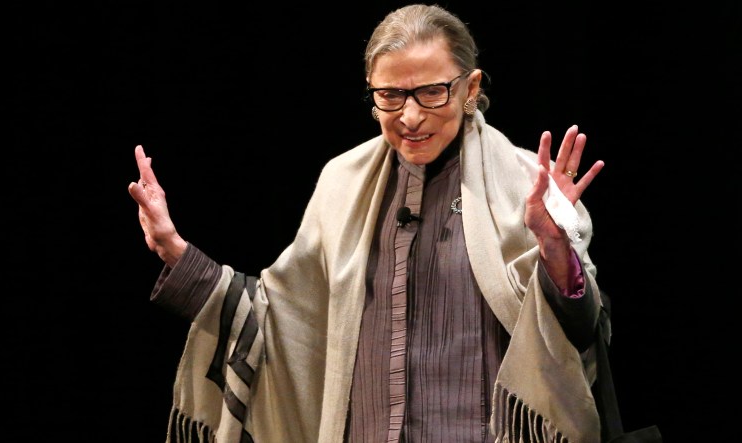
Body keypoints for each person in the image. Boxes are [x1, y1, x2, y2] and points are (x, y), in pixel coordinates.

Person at [128, 4, 638, 443]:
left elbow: (578, 334)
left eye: (431, 92)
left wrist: (555, 249)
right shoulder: (342, 184)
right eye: (391, 95)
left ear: (470, 87)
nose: (410, 117)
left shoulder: (530, 187)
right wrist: (177, 253)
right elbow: (281, 324)